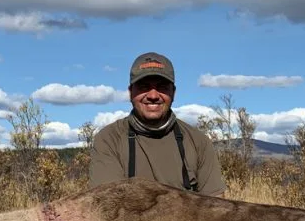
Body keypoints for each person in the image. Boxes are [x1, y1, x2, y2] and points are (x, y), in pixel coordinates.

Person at [88, 52, 226, 196]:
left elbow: (215, 205)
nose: (153, 96)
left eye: (162, 87)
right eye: (143, 86)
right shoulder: (109, 139)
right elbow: (106, 204)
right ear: (130, 92)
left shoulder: (199, 142)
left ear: (173, 93)